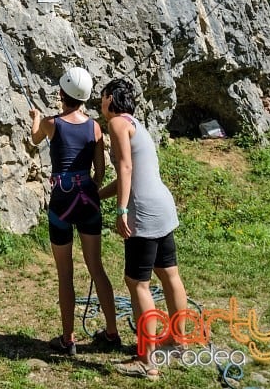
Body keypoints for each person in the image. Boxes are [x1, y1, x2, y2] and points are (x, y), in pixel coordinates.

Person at [99, 78, 188, 380]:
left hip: (144, 211)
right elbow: (133, 172)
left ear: (110, 98)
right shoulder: (135, 123)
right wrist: (97, 196)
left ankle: (146, 360)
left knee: (137, 283)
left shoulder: (116, 125)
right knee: (170, 275)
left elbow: (125, 167)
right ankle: (178, 341)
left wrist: (122, 209)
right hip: (163, 205)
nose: (100, 105)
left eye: (102, 98)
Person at [30, 65, 120, 357]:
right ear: (84, 97)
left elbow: (34, 139)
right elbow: (101, 171)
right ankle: (111, 332)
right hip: (88, 201)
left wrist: (34, 119)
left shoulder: (51, 123)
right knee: (97, 267)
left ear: (61, 93)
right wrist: (88, 189)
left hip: (61, 202)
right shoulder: (94, 127)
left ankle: (68, 339)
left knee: (65, 273)